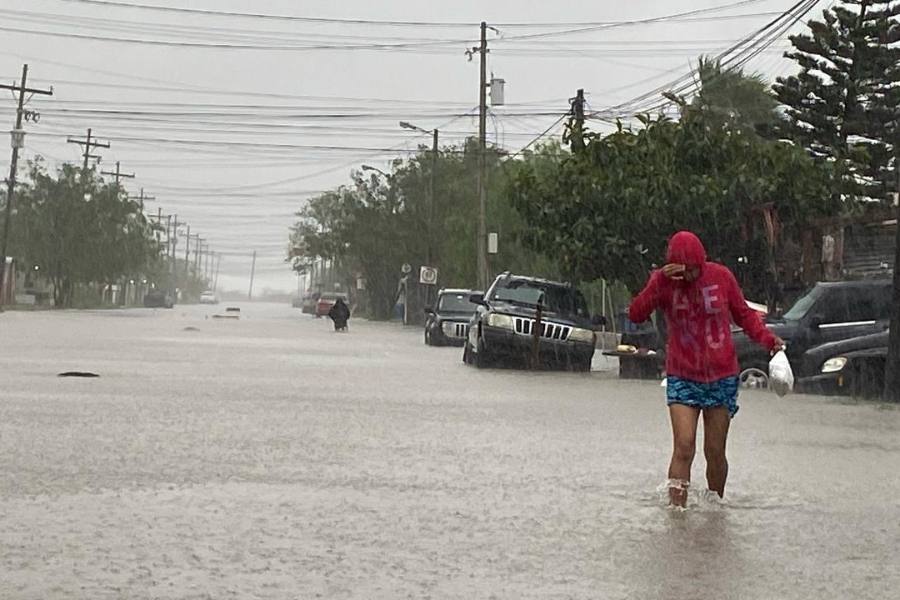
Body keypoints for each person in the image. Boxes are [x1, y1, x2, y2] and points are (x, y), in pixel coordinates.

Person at [628, 231, 783, 507]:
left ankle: (715, 508)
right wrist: (661, 280)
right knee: (684, 447)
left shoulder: (721, 277)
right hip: (682, 375)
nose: (688, 277)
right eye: (682, 271)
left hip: (721, 376)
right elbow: (636, 313)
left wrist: (769, 341)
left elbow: (745, 316)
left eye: (693, 270)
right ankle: (677, 514)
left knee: (714, 451)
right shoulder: (663, 282)